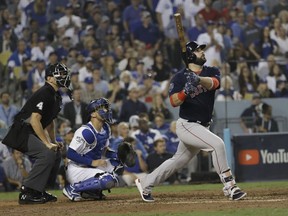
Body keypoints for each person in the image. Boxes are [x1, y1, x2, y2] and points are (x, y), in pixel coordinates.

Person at [135, 41, 246, 202]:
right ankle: (231, 187)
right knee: (218, 145)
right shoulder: (179, 77)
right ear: (190, 56)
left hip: (203, 126)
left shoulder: (211, 70)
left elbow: (215, 83)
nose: (202, 52)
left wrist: (198, 80)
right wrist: (185, 90)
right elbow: (174, 101)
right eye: (198, 50)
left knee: (177, 161)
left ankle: (145, 183)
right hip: (187, 125)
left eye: (202, 50)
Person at [2, 62, 72, 204]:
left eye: (64, 73)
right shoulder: (45, 92)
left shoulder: (56, 96)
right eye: (60, 73)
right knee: (46, 153)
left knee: (55, 152)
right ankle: (26, 192)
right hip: (21, 131)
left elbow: (50, 122)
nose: (64, 76)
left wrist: (52, 141)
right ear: (49, 78)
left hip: (30, 131)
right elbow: (35, 120)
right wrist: (46, 143)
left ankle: (38, 190)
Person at [62, 98, 135, 201]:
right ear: (93, 114)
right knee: (108, 180)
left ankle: (90, 192)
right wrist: (92, 162)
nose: (106, 110)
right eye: (102, 108)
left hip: (90, 167)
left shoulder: (106, 128)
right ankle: (73, 189)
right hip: (76, 168)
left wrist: (117, 155)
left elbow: (104, 150)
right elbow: (70, 154)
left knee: (118, 163)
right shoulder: (86, 132)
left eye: (106, 108)